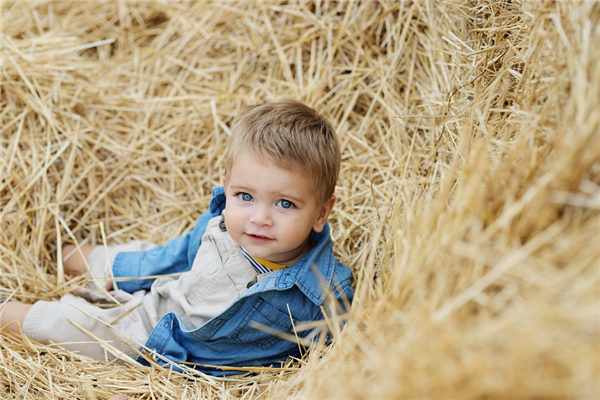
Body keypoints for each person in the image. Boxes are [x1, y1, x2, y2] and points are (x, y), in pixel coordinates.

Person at [0, 100, 353, 376]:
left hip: (157, 339)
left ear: (321, 213)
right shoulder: (219, 227)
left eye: (285, 203)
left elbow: (347, 350)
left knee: (82, 326)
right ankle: (77, 256)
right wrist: (122, 270)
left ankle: (9, 312)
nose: (260, 217)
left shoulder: (322, 291)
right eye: (244, 196)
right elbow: (170, 258)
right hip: (174, 283)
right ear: (228, 188)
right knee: (141, 257)